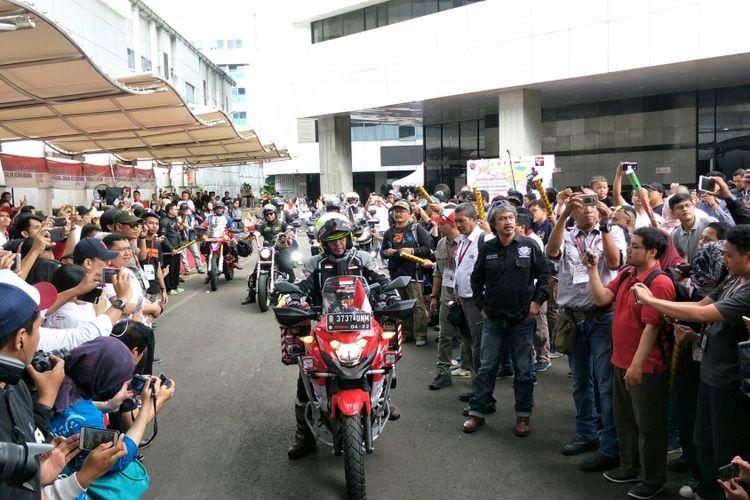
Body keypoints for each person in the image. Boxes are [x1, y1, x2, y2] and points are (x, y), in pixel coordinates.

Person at [633, 225, 750, 500]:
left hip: (729, 382)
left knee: (727, 449)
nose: (724, 260)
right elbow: (700, 307)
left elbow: (706, 312)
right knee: (702, 441)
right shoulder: (734, 279)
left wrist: (652, 300)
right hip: (710, 374)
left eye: (730, 255)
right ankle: (708, 488)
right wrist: (696, 337)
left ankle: (728, 494)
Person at [283, 213, 398, 459]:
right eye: (333, 240)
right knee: (306, 379)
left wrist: (391, 294)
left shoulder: (364, 259)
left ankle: (381, 398)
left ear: (349, 238)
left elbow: (382, 280)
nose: (338, 244)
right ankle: (304, 436)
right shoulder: (314, 264)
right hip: (326, 326)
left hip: (362, 324)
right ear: (324, 243)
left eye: (342, 238)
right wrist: (294, 298)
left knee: (383, 359)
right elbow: (302, 286)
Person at [585, 227, 676, 499]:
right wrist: (592, 269)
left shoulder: (659, 283)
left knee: (649, 426)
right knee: (625, 421)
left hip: (646, 366)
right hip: (621, 360)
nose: (629, 249)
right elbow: (602, 299)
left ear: (652, 252)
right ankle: (630, 466)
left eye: (635, 246)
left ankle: (652, 479)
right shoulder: (627, 274)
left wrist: (636, 365)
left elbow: (652, 328)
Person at [547, 192, 627, 472]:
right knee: (580, 380)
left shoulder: (613, 231)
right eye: (582, 207)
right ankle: (586, 434)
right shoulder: (566, 233)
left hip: (602, 317)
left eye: (593, 206)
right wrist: (563, 216)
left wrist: (605, 226)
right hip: (573, 319)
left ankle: (610, 446)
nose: (589, 211)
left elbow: (615, 263)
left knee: (605, 383)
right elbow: (552, 253)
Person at [463, 203, 550, 437]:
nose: (508, 222)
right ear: (494, 224)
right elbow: (476, 279)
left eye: (511, 217)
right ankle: (478, 412)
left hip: (522, 320)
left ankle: (523, 416)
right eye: (502, 218)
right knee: (487, 367)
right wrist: (481, 306)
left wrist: (535, 304)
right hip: (493, 320)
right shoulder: (488, 248)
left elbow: (544, 277)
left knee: (524, 370)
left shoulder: (530, 246)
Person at [380, 200, 433, 346]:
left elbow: (428, 247)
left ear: (409, 213)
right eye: (395, 211)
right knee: (402, 305)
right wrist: (386, 252)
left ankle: (420, 335)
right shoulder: (389, 231)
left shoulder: (416, 228)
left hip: (413, 273)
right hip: (396, 273)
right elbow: (382, 251)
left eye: (401, 211)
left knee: (417, 304)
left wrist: (412, 251)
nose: (398, 214)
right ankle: (407, 333)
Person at [428, 209, 464, 389]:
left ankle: (474, 373)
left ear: (453, 224)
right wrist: (434, 296)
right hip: (446, 296)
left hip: (466, 298)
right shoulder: (441, 243)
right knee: (445, 336)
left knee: (470, 338)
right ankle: (443, 373)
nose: (439, 226)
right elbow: (438, 272)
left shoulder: (467, 243)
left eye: (442, 223)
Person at [242, 204, 293, 304]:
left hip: (280, 250)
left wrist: (288, 232)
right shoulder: (263, 226)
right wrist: (252, 235)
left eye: (271, 213)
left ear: (275, 214)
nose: (269, 216)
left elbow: (289, 229)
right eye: (267, 214)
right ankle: (251, 295)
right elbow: (257, 232)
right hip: (267, 251)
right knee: (257, 270)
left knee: (288, 268)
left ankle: (294, 294)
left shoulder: (281, 224)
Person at [159, 203, 183, 295]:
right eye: (175, 209)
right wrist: (170, 248)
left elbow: (177, 234)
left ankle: (175, 286)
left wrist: (180, 245)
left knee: (176, 268)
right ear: (170, 210)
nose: (177, 211)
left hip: (177, 248)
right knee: (170, 269)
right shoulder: (164, 221)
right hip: (169, 250)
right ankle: (169, 288)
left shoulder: (175, 220)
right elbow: (163, 237)